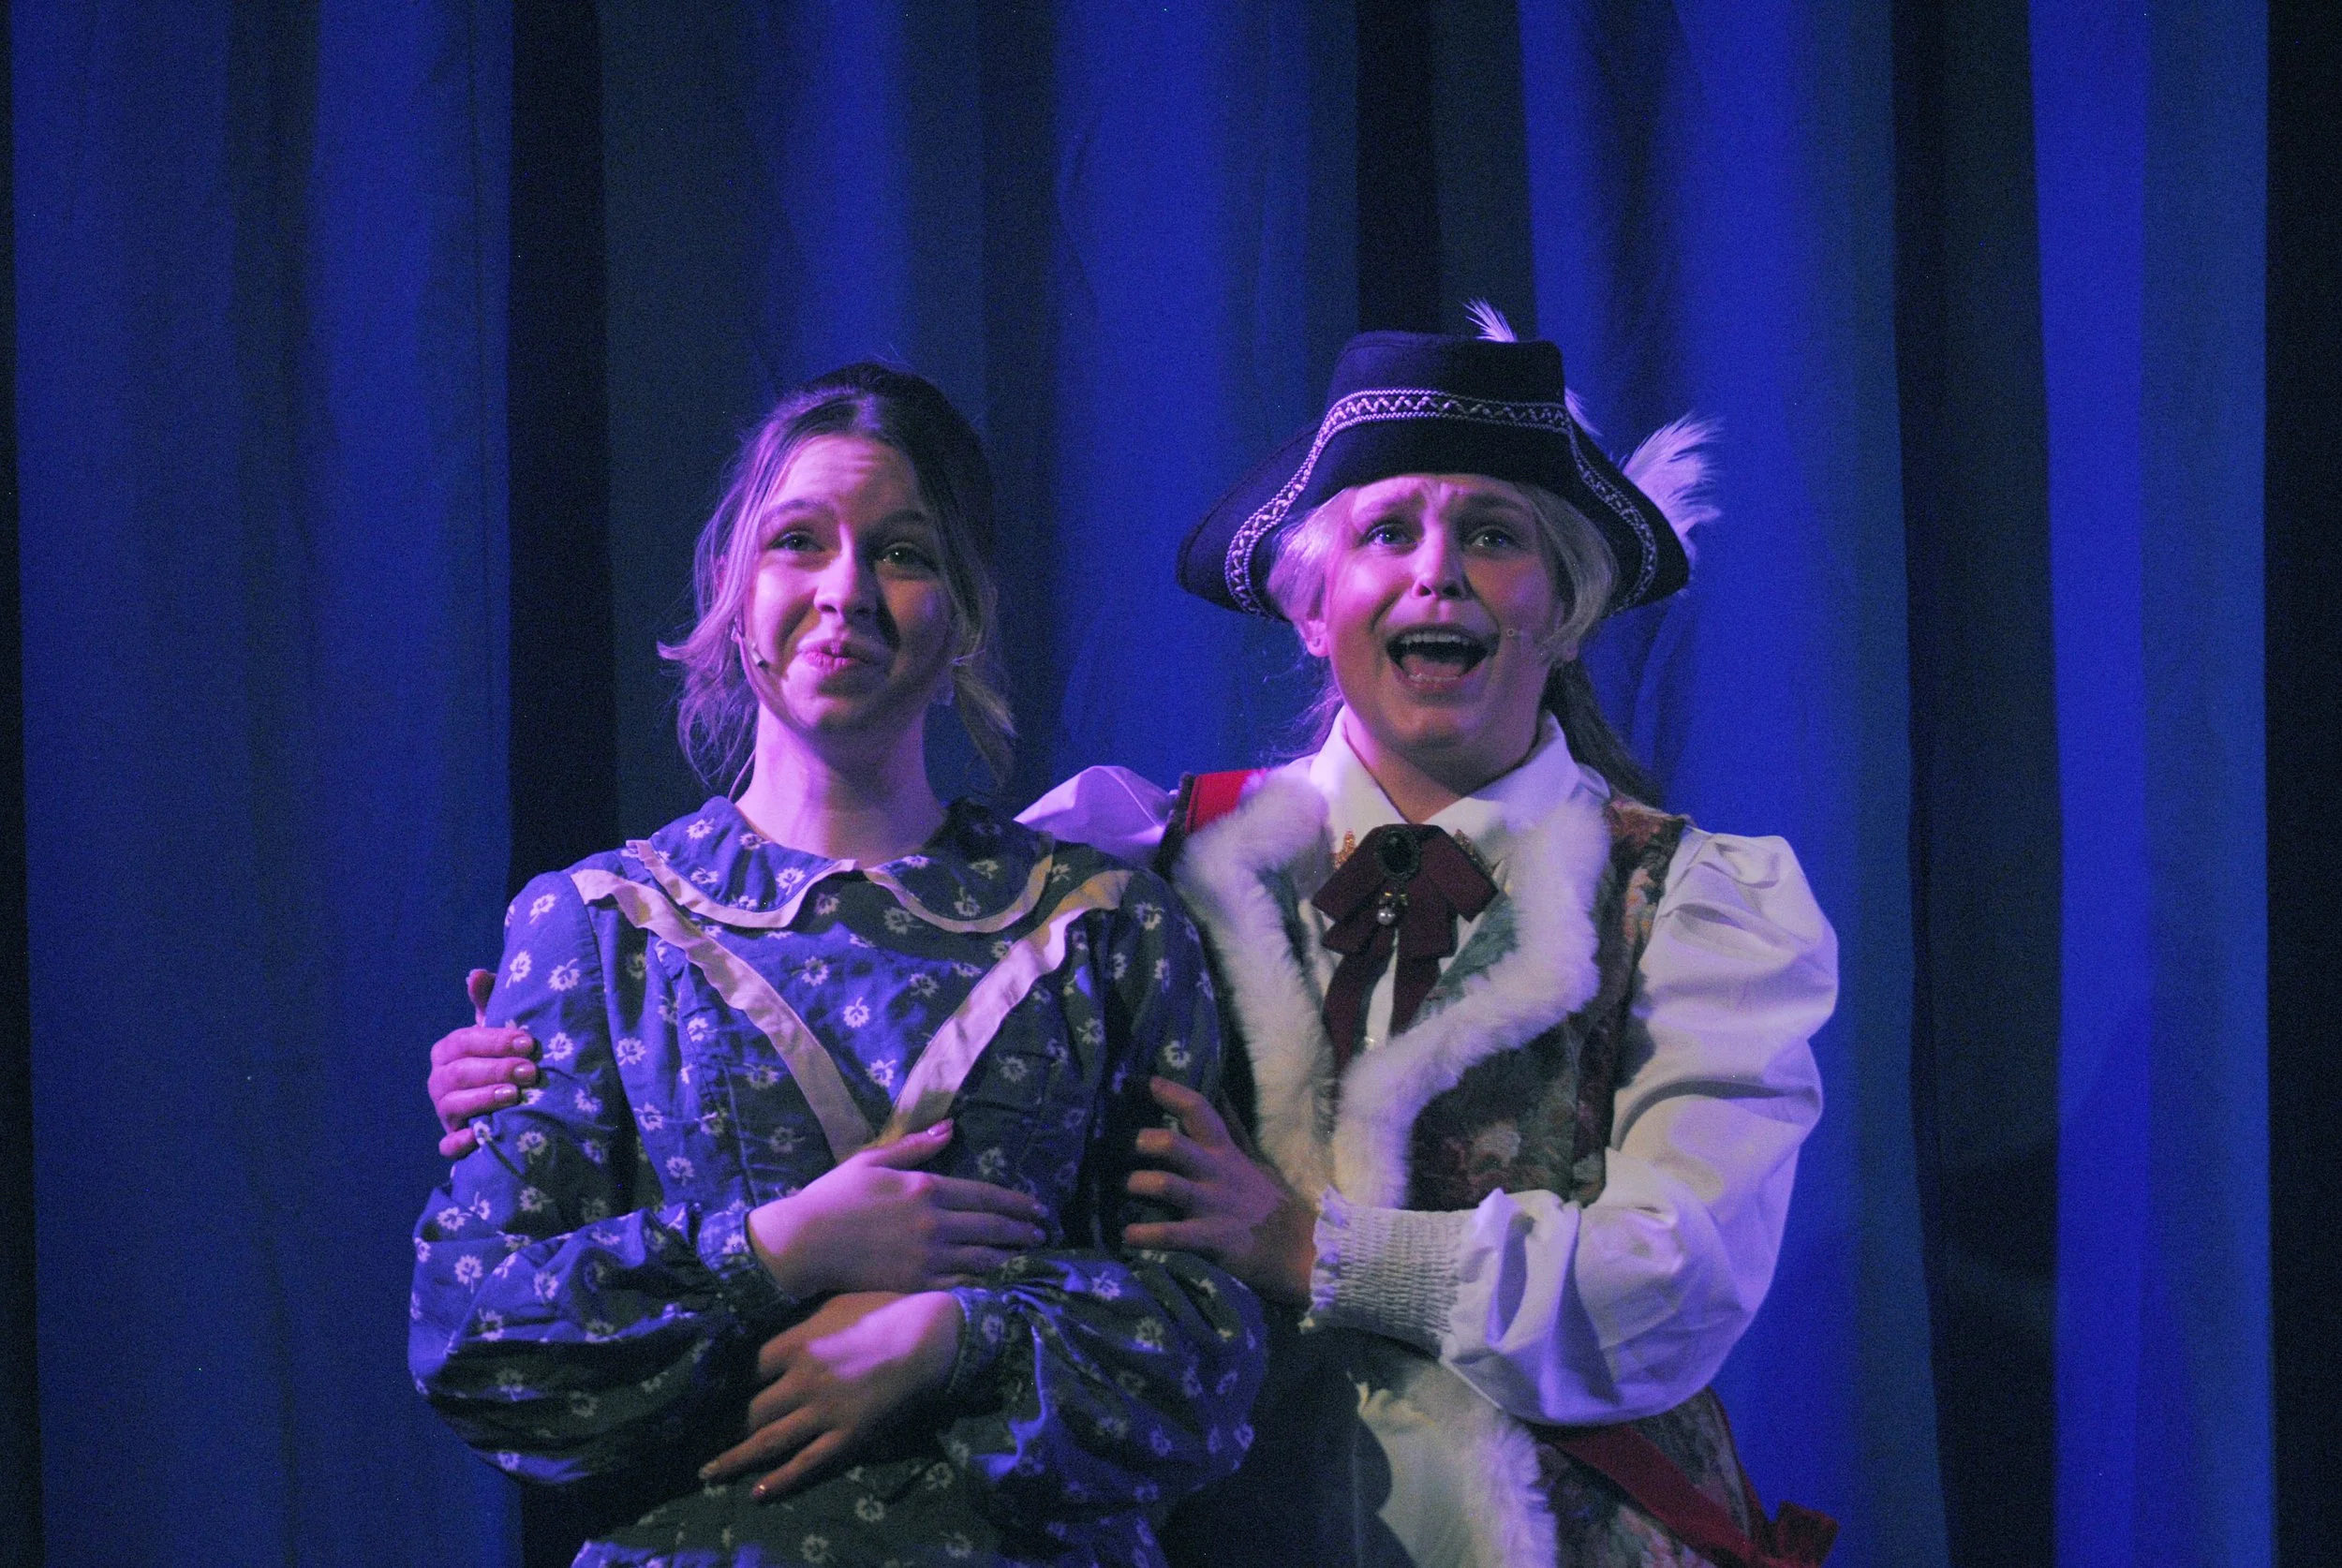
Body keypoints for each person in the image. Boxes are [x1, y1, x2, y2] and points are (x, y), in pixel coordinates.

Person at [431, 319, 1836, 1567]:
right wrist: (526, 1059)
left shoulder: (1694, 901)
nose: (1437, 577)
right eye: (1387, 533)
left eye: (1492, 534)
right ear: (1309, 596)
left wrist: (1314, 1247)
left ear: (1565, 597)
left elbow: (1674, 1281)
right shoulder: (1143, 857)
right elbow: (886, 904)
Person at [409, 362, 1265, 1568]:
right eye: (797, 543)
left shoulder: (1100, 926)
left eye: (905, 553)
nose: (846, 590)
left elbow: (1209, 1358)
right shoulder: (601, 928)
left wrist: (949, 1340)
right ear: (731, 588)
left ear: (964, 610)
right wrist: (783, 1250)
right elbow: (475, 1337)